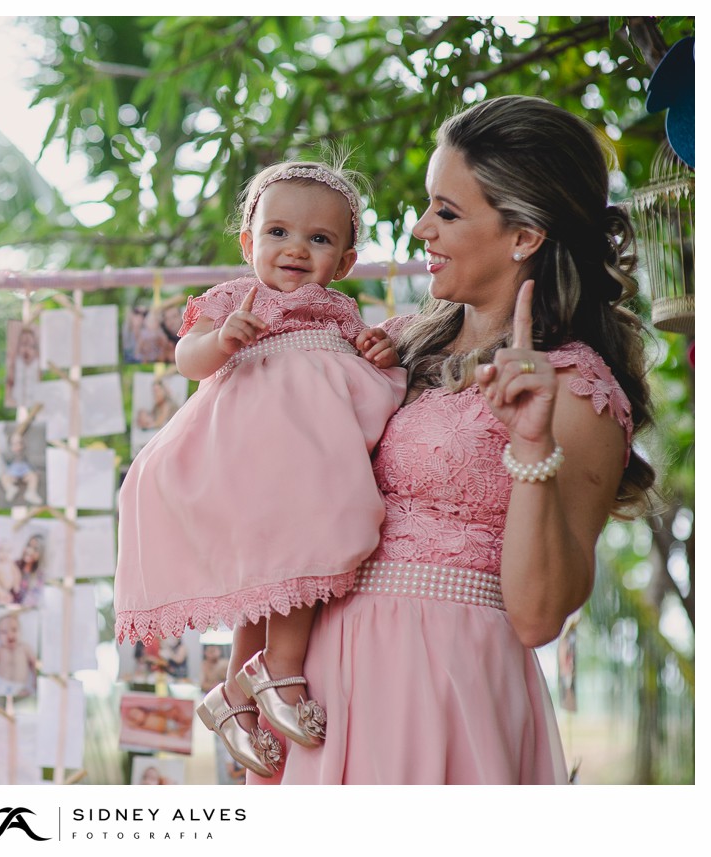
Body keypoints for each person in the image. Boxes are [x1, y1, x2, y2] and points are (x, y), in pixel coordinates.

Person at [269, 95, 654, 785]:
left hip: (444, 682)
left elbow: (538, 617)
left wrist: (531, 443)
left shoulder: (576, 387)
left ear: (524, 236)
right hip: (323, 678)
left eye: (447, 212)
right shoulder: (395, 347)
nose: (421, 228)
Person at [115, 159, 406, 777]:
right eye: (278, 233)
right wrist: (221, 341)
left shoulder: (337, 310)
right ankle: (279, 670)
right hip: (249, 455)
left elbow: (364, 358)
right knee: (295, 553)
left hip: (302, 460)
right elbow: (186, 359)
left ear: (346, 262)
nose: (296, 249)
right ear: (248, 243)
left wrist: (376, 347)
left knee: (271, 576)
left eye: (319, 239)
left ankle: (232, 700)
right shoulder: (233, 299)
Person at [0, 612, 37, 699]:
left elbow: (34, 664)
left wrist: (35, 679)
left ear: (20, 631)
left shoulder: (25, 648)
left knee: (26, 694)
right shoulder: (0, 650)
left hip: (19, 686)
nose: (10, 635)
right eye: (4, 632)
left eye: (14, 630)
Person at [0, 427, 43, 506]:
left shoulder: (24, 454)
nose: (18, 446)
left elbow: (29, 463)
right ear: (10, 446)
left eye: (20, 443)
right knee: (3, 477)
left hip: (25, 473)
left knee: (34, 476)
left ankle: (31, 493)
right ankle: (10, 489)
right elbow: (5, 461)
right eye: (14, 444)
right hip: (13, 474)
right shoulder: (9, 454)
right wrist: (2, 453)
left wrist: (34, 471)